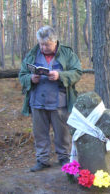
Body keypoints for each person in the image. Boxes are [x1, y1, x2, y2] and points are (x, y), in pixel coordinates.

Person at [19, 26, 82, 172]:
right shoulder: (32, 54)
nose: (43, 47)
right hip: (37, 101)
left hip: (59, 101)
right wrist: (30, 78)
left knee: (62, 132)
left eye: (47, 44)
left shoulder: (67, 53)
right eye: (41, 44)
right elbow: (22, 74)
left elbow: (77, 72)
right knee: (40, 133)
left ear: (55, 41)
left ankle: (64, 158)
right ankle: (42, 160)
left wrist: (60, 76)